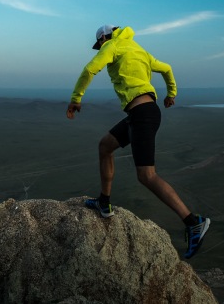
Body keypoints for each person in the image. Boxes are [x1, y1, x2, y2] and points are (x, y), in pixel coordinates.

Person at [66, 24, 210, 259]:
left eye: (99, 44)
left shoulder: (112, 45)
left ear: (104, 37)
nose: (99, 48)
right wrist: (171, 93)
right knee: (105, 146)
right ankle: (104, 203)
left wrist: (76, 98)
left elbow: (90, 69)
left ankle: (193, 222)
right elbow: (166, 68)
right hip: (140, 114)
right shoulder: (138, 49)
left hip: (143, 115)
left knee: (146, 176)